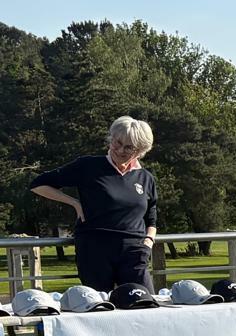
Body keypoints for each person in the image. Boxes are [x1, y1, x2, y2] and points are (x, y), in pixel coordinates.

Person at [28, 115, 159, 292]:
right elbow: (38, 184)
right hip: (94, 249)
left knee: (143, 302)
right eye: (117, 143)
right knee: (99, 304)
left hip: (135, 252)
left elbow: (151, 216)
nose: (120, 150)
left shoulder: (146, 178)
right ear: (111, 139)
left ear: (140, 150)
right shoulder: (88, 166)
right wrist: (74, 203)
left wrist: (148, 242)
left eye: (129, 147)